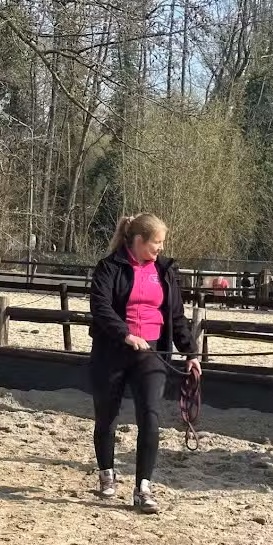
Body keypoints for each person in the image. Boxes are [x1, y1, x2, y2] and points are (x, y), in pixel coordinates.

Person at [89, 213, 201, 514]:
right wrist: (126, 335)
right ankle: (107, 473)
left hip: (151, 353)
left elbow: (176, 315)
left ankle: (143, 488)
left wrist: (191, 353)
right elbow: (100, 307)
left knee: (150, 416)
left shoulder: (164, 271)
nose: (160, 249)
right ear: (138, 241)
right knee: (107, 416)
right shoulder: (109, 268)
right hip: (112, 350)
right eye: (156, 243)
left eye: (162, 243)